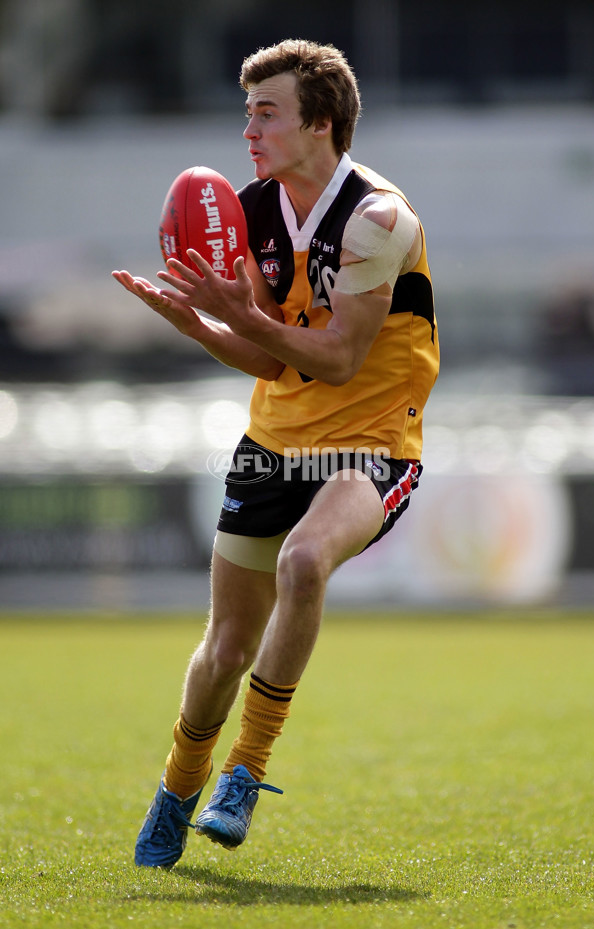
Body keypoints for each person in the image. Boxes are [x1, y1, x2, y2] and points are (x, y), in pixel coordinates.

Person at [112, 38, 439, 869]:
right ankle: (178, 787)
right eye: (247, 111)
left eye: (268, 113)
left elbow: (335, 358)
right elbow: (271, 359)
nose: (250, 129)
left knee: (303, 563)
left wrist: (237, 313)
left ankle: (245, 771)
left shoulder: (379, 218)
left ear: (322, 124)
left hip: (370, 442)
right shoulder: (253, 208)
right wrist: (200, 326)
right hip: (273, 441)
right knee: (224, 647)